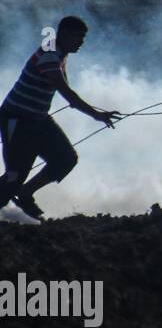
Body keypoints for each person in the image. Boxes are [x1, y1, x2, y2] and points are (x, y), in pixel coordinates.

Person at [0, 16, 122, 220]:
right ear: (64, 35)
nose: (82, 42)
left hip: (37, 118)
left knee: (65, 159)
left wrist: (93, 111)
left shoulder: (60, 53)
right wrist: (97, 115)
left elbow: (67, 91)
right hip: (17, 119)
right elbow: (67, 93)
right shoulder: (49, 55)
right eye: (78, 37)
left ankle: (25, 193)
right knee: (14, 175)